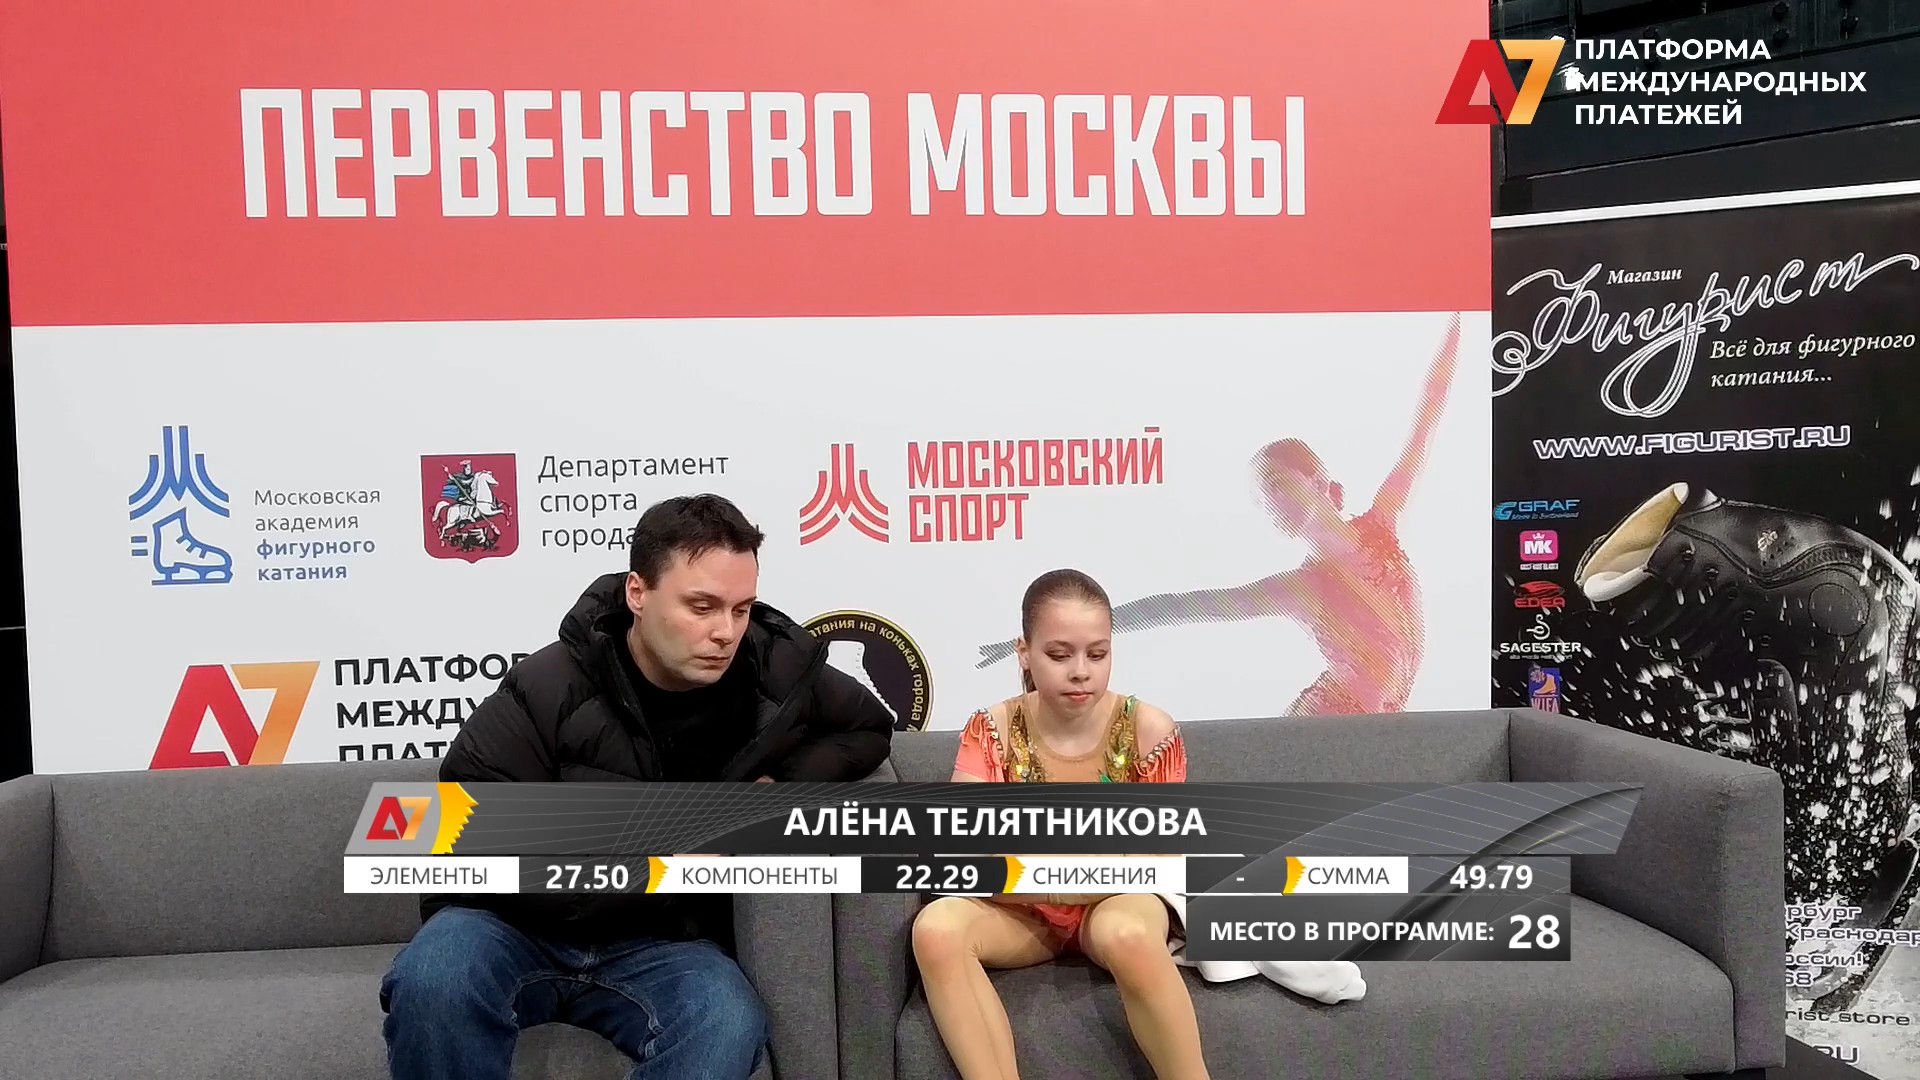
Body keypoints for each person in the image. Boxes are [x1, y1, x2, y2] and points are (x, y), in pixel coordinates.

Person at [380, 494, 897, 1080]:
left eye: (741, 608)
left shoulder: (771, 668)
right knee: (437, 974)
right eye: (701, 606)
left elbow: (869, 726)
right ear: (637, 593)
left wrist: (772, 789)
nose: (725, 632)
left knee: (726, 1022)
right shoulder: (545, 687)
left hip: (663, 942)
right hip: (512, 928)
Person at [977, 314, 1461, 717]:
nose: (1269, 505)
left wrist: (1458, 311)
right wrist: (1049, 636)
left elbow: (1429, 411)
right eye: (1261, 500)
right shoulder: (1302, 589)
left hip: (1375, 724)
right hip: (1327, 722)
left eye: (1274, 485)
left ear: (1318, 481)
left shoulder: (1382, 524)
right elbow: (1177, 607)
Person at [915, 569, 1208, 1080]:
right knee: (935, 930)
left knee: (1129, 935)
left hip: (1114, 904)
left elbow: (1161, 861)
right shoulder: (992, 729)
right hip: (1025, 913)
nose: (1080, 672)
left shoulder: (1148, 729)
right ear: (1024, 652)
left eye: (1097, 654)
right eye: (1059, 654)